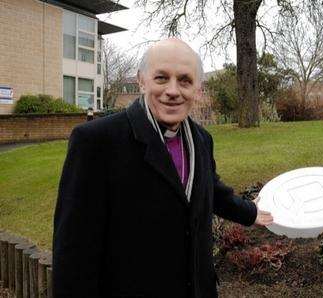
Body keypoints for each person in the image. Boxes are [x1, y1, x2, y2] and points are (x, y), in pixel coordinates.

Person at [52, 38, 273, 298]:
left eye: (185, 80)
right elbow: (73, 252)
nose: (173, 90)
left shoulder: (202, 139)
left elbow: (209, 189)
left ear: (198, 89)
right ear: (141, 80)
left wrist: (250, 212)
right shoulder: (97, 141)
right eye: (161, 78)